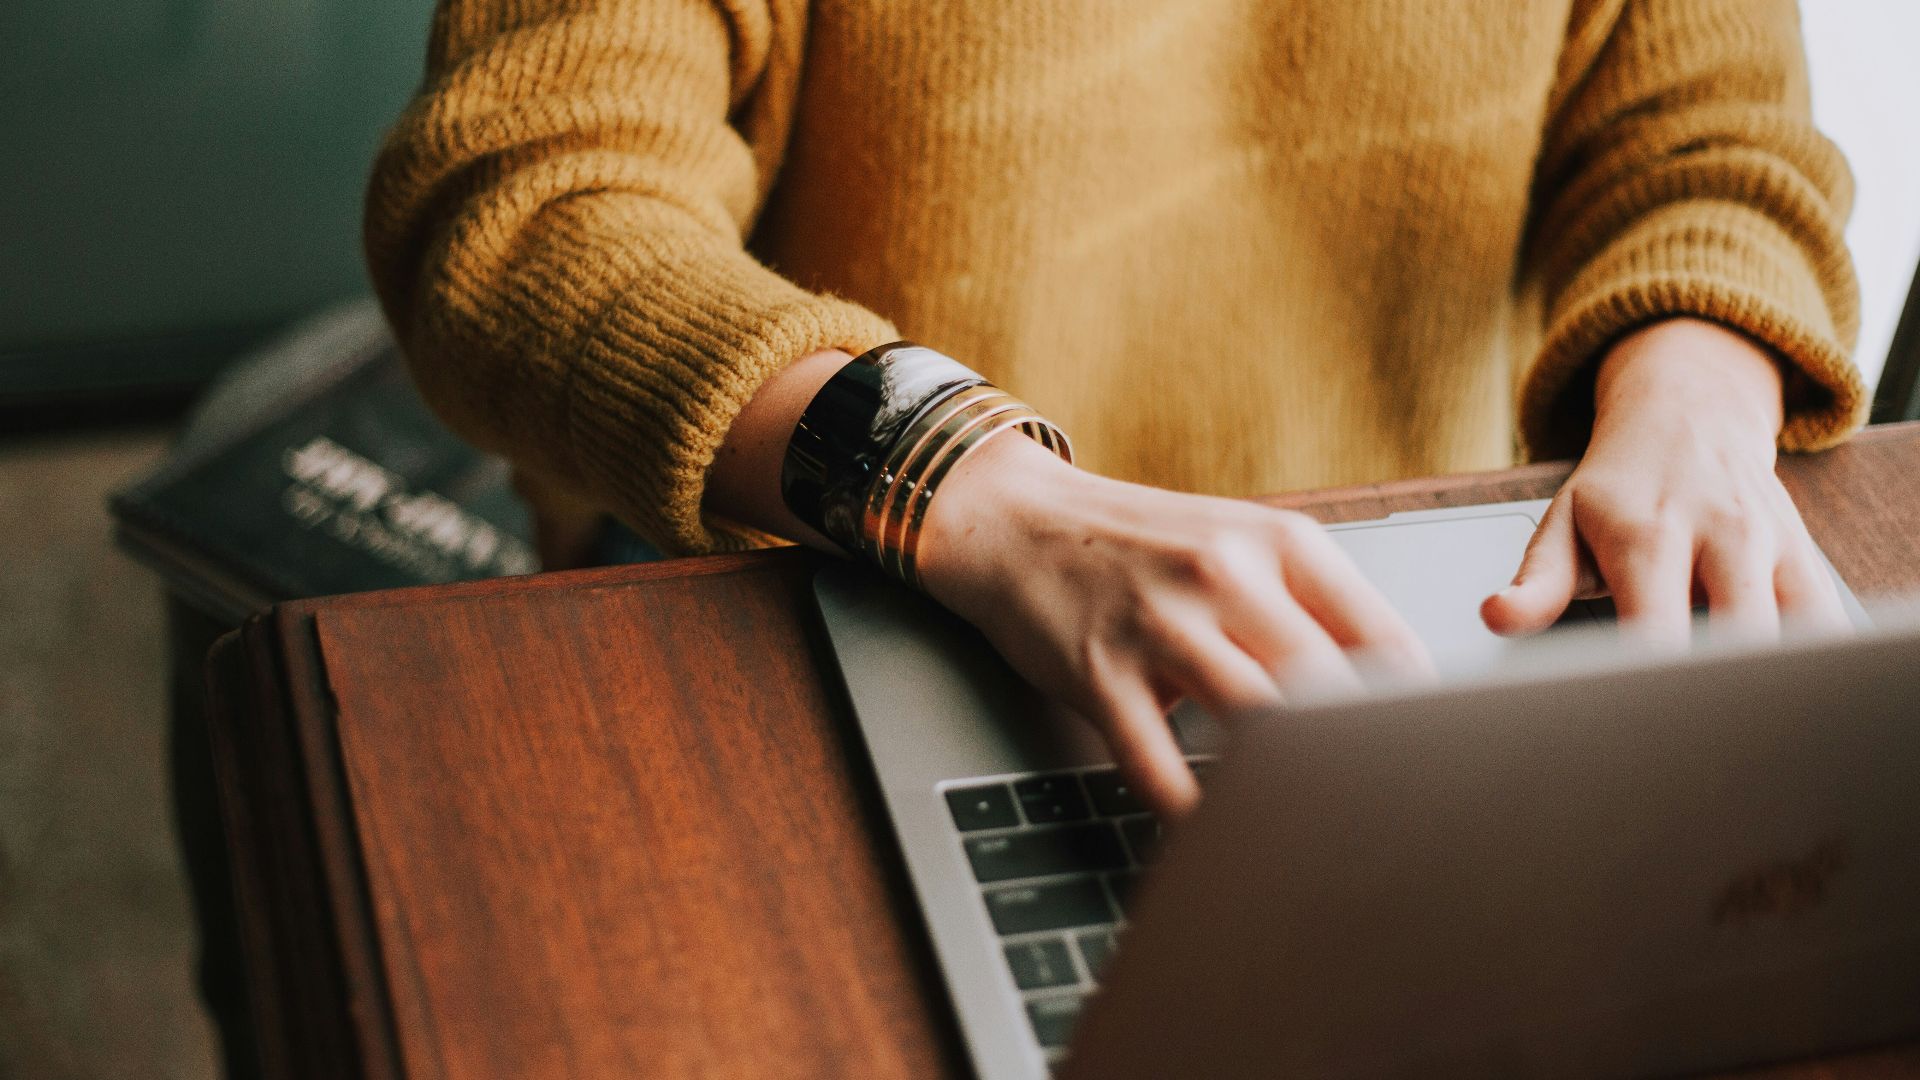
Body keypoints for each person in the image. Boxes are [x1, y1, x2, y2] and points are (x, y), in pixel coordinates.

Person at [366, 0, 1865, 817]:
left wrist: (1698, 391)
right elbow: (524, 204)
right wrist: (973, 487)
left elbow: (1713, 135)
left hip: (1410, 629)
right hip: (844, 583)